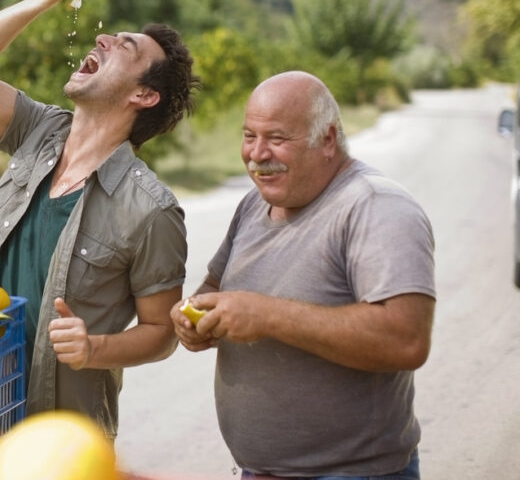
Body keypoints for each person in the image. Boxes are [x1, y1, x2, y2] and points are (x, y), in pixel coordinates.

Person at [0, 0, 200, 437]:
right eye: (109, 36)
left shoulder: (151, 209)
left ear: (144, 94)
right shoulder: (37, 132)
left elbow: (162, 333)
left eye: (126, 47)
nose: (103, 40)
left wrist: (95, 348)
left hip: (59, 436)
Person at [172, 71, 436, 479]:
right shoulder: (254, 204)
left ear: (326, 139)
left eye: (277, 139)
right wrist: (194, 316)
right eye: (248, 136)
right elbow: (216, 288)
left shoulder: (376, 206)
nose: (257, 154)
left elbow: (406, 339)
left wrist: (267, 315)